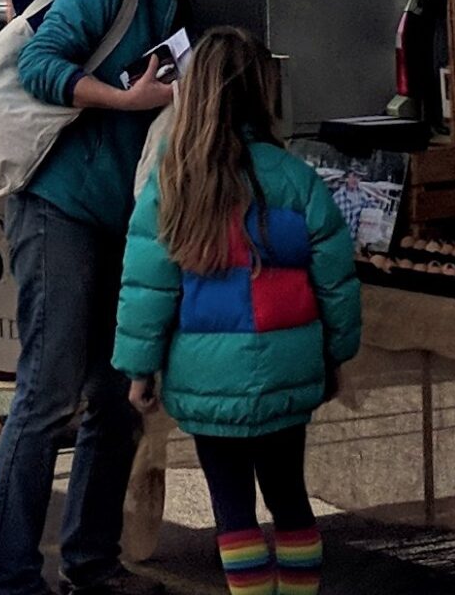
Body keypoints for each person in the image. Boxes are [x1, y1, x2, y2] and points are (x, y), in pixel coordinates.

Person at [0, 0, 234, 595]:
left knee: (117, 397)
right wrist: (124, 98)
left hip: (123, 221)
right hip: (58, 206)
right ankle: (3, 576)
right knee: (48, 393)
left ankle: (90, 561)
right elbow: (39, 65)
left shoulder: (180, 11)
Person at [115, 29, 359, 595]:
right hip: (286, 373)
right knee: (291, 499)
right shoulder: (296, 179)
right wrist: (338, 354)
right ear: (262, 93)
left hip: (206, 380)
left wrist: (139, 368)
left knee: (233, 513)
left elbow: (147, 288)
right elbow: (337, 282)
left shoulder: (173, 182)